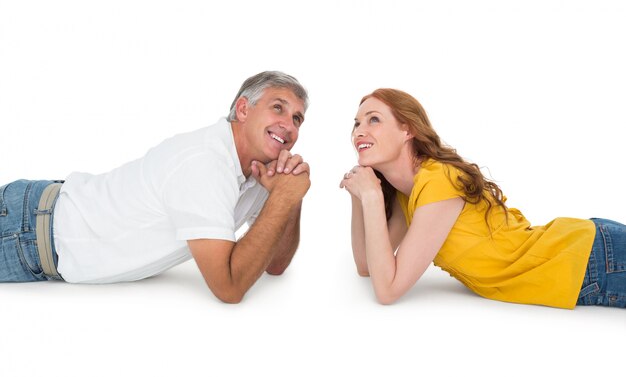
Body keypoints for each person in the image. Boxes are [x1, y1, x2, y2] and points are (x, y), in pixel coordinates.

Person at [0, 70, 311, 303]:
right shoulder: (204, 163)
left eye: (298, 118)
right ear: (243, 110)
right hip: (23, 229)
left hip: (42, 230)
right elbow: (228, 287)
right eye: (278, 108)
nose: (289, 125)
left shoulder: (259, 173)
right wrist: (282, 197)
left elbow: (275, 263)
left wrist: (290, 195)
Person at [340, 88, 625, 309]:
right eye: (356, 123)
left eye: (373, 119)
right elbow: (368, 266)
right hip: (586, 258)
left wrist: (371, 195)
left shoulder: (439, 179)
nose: (359, 131)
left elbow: (388, 290)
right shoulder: (409, 194)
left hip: (592, 260)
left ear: (408, 130)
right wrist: (360, 194)